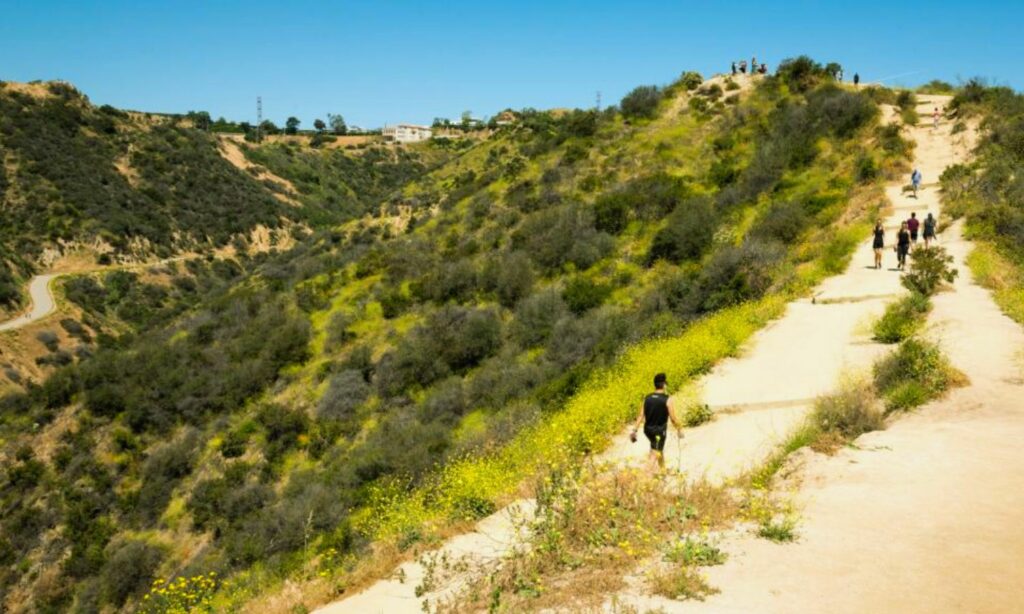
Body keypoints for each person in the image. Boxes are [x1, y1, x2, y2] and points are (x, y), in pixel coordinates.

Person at [631, 373, 683, 472]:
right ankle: (645, 476)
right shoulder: (667, 399)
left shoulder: (647, 398)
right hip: (659, 431)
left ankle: (663, 471)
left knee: (658, 449)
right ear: (664, 385)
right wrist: (679, 429)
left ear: (655, 385)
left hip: (648, 430)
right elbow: (673, 418)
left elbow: (641, 415)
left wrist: (634, 430)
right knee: (655, 453)